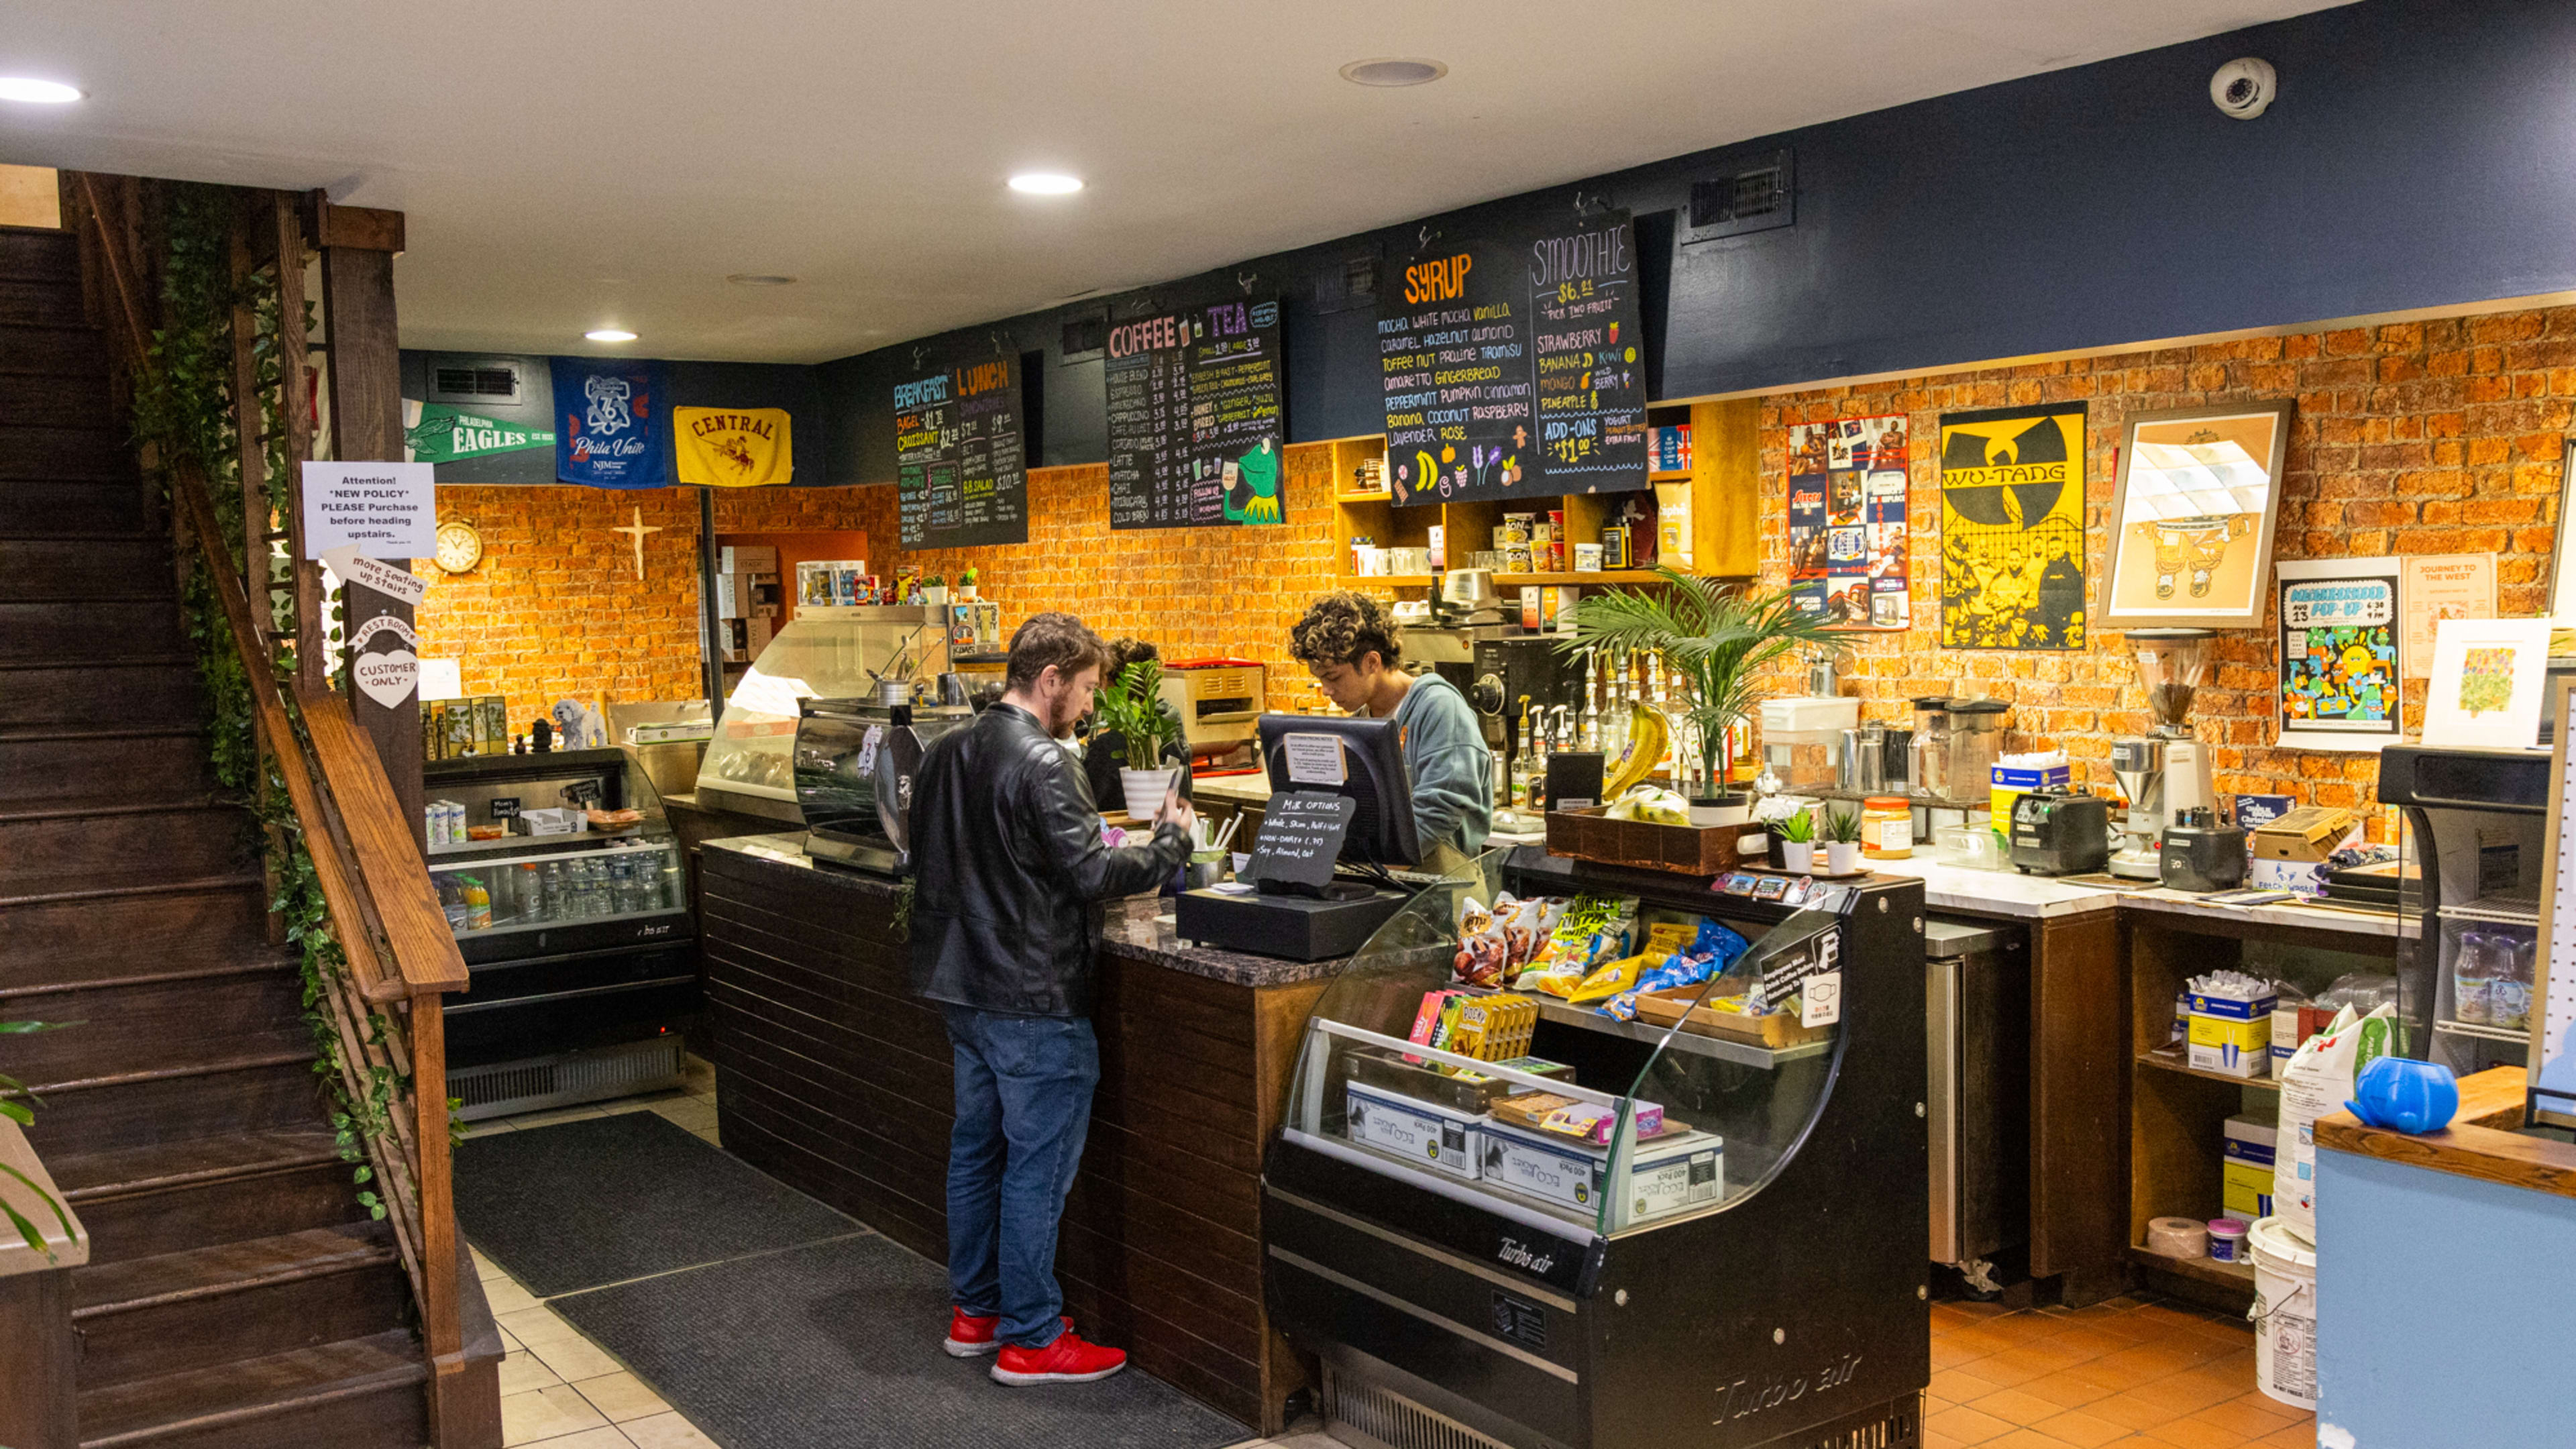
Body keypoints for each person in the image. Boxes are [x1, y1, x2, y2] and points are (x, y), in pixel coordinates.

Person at [908, 611, 1194, 1385]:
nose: (1093, 706)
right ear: (1051, 680)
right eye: (1089, 688)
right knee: (1036, 1167)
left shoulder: (946, 750)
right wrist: (1171, 843)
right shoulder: (1041, 761)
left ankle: (979, 1312)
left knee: (976, 1152)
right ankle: (1032, 1338)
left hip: (959, 985)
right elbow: (1094, 876)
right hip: (1032, 994)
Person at [1288, 591, 1491, 869]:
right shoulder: (1362, 719)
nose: (1327, 690)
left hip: (1441, 893)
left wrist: (1380, 870)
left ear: (1372, 662)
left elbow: (1440, 811)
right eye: (1320, 679)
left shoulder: (1439, 708)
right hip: (1387, 886)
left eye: (1333, 677)